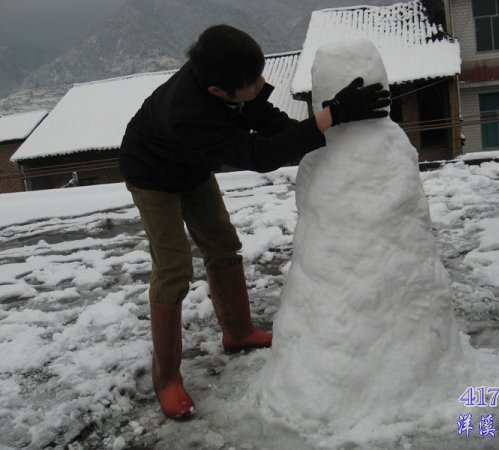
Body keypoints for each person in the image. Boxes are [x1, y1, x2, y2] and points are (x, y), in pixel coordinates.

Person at [119, 24, 390, 420]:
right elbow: (260, 155)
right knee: (173, 267)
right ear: (217, 91)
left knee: (223, 243)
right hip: (151, 173)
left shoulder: (222, 74)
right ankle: (167, 378)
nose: (263, 83)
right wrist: (329, 117)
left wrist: (332, 120)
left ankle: (238, 333)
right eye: (255, 81)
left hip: (191, 167)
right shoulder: (189, 114)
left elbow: (266, 119)